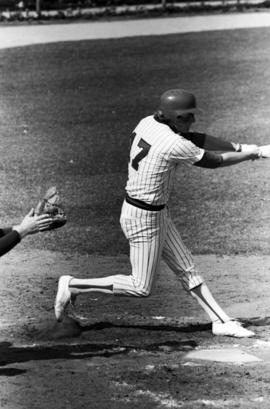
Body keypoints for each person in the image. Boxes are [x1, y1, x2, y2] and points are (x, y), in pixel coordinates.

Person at [55, 88, 263, 337]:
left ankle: (220, 321)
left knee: (187, 268)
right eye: (188, 116)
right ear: (175, 117)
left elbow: (195, 137)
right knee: (140, 287)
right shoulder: (174, 144)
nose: (192, 120)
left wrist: (244, 147)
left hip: (155, 213)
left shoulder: (149, 122)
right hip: (143, 219)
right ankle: (73, 285)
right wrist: (256, 154)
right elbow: (214, 161)